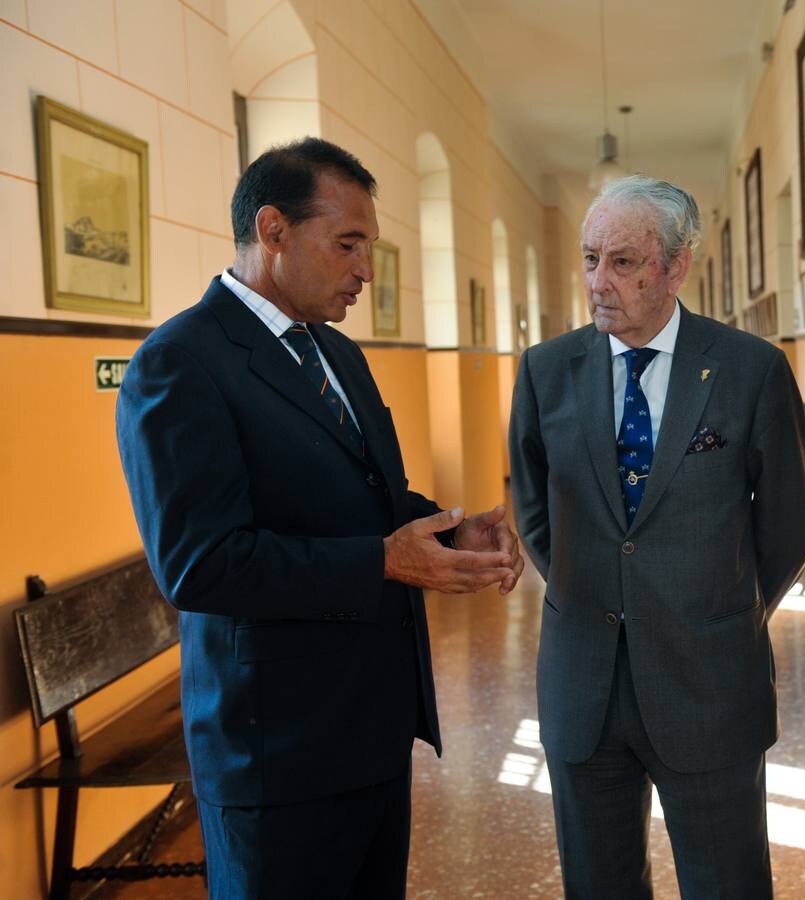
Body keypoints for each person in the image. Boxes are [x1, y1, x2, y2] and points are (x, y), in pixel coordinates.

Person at [116, 137, 523, 899]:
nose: (366, 269)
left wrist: (445, 528)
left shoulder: (337, 354)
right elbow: (199, 564)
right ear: (273, 230)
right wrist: (386, 562)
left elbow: (368, 499)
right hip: (275, 752)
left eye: (368, 246)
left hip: (369, 732)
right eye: (348, 244)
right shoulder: (181, 363)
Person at [509, 175, 805, 899]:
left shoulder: (749, 369)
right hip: (582, 679)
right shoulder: (547, 371)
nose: (598, 281)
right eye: (590, 259)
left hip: (708, 679)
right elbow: (534, 509)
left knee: (727, 884)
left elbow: (790, 522)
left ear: (676, 266)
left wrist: (719, 607)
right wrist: (597, 587)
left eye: (623, 261)